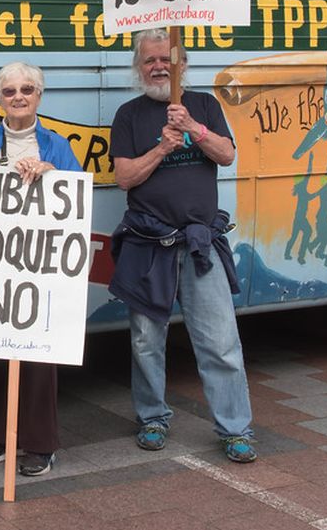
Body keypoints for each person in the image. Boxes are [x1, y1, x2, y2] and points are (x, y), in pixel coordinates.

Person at [108, 28, 256, 463]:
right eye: (149, 60)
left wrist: (192, 127)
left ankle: (236, 429)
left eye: (166, 60)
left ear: (182, 66)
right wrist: (160, 148)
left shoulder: (205, 104)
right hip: (147, 243)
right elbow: (124, 178)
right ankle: (152, 418)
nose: (158, 67)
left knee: (220, 342)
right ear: (139, 68)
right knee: (145, 342)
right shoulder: (129, 115)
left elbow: (227, 155)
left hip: (200, 243)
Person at [0, 61, 82, 476]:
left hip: (39, 270)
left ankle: (41, 445)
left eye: (27, 89)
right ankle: (1, 436)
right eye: (10, 92)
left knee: (41, 358)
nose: (19, 97)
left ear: (39, 96)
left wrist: (50, 175)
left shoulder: (56, 145)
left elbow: (76, 195)